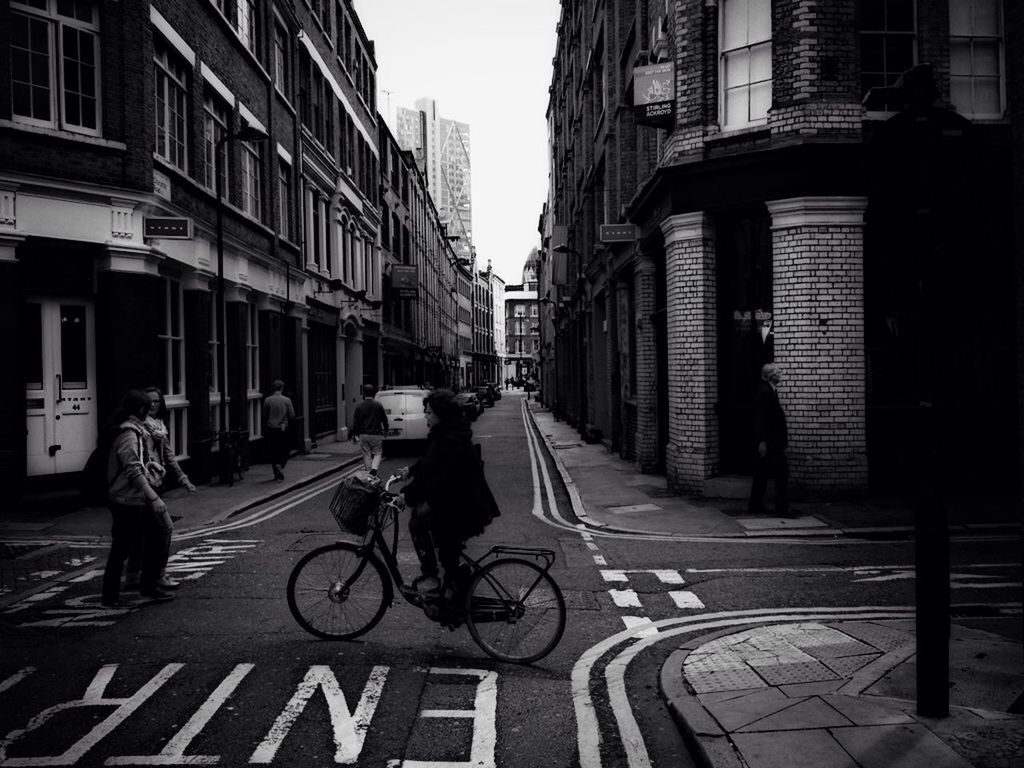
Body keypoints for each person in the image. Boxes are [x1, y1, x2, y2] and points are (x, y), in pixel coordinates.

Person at [397, 389, 500, 597]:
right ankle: (456, 589)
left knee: (418, 522)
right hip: (465, 504)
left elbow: (433, 480)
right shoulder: (449, 434)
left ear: (440, 414)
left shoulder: (447, 439)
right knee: (447, 551)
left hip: (463, 508)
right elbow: (430, 465)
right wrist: (410, 471)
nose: (426, 415)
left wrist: (406, 496)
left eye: (428, 412)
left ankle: (432, 579)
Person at [100, 389, 175, 607]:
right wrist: (155, 498)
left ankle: (147, 588)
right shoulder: (128, 433)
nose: (150, 408)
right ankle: (112, 597)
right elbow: (132, 469)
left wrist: (150, 465)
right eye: (146, 405)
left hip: (133, 498)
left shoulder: (134, 430)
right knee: (123, 549)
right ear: (140, 408)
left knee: (150, 540)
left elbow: (135, 464)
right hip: (127, 500)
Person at [124, 387, 196, 591]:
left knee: (143, 532)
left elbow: (169, 456)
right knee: (163, 528)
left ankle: (134, 575)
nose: (154, 404)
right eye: (150, 401)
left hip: (155, 483)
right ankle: (156, 576)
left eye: (157, 401)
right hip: (143, 485)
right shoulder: (138, 428)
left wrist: (183, 478)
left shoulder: (159, 427)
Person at [748, 363, 790, 516]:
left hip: (771, 441)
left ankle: (755, 505)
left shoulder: (770, 390)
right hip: (771, 442)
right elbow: (761, 418)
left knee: (762, 474)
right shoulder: (765, 391)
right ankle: (781, 507)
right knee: (782, 473)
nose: (781, 372)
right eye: (778, 371)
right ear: (771, 375)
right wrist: (763, 442)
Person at [350, 384, 389, 476]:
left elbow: (356, 422)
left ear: (364, 393)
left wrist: (355, 434)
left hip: (363, 434)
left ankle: (369, 472)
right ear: (373, 393)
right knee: (378, 453)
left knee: (366, 454)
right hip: (376, 433)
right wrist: (386, 429)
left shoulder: (359, 406)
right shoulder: (378, 405)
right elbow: (384, 419)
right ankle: (374, 469)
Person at [264, 379, 296, 481]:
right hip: (283, 429)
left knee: (273, 449)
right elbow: (292, 415)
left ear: (273, 388)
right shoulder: (287, 400)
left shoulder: (268, 400)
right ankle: (280, 465)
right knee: (284, 449)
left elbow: (265, 415)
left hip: (271, 428)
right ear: (282, 388)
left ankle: (275, 472)